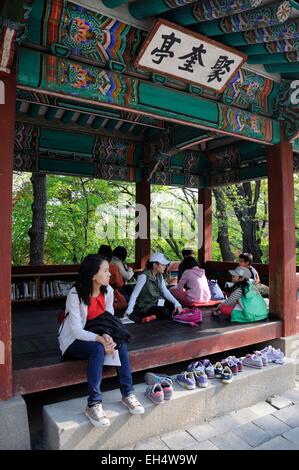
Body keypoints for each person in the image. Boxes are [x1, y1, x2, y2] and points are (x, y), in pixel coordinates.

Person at [58, 254, 144, 428]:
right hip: (74, 341)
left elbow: (108, 320)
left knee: (120, 344)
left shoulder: (109, 292)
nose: (109, 274)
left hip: (96, 334)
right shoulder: (75, 294)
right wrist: (99, 339)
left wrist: (108, 336)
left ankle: (128, 393)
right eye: (105, 271)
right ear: (93, 275)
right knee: (97, 349)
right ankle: (94, 404)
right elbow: (76, 331)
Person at [124, 252, 182, 322]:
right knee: (165, 311)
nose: (165, 267)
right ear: (155, 265)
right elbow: (134, 294)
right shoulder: (143, 276)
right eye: (163, 265)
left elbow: (165, 292)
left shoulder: (159, 275)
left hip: (157, 302)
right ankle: (152, 315)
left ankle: (154, 316)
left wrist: (176, 304)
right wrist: (129, 311)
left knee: (175, 305)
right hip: (147, 306)